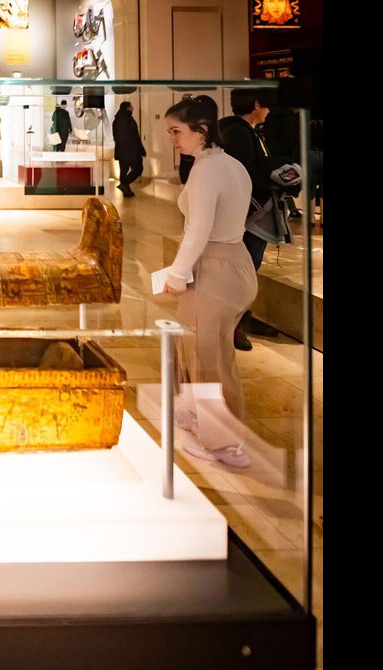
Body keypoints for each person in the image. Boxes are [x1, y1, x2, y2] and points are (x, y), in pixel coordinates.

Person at [163, 95, 256, 469]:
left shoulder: (206, 171)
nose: (172, 139)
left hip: (214, 267)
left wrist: (177, 273)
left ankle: (224, 443)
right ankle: (201, 420)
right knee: (212, 353)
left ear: (201, 131)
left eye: (176, 131)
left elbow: (199, 230)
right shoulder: (231, 165)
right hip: (236, 263)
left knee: (209, 360)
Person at [219, 88, 277, 350]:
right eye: (266, 106)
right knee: (243, 270)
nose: (269, 111)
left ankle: (241, 317)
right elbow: (245, 175)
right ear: (256, 104)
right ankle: (234, 323)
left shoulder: (242, 131)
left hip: (247, 213)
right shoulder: (238, 132)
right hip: (247, 215)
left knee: (246, 270)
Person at [111, 101, 146, 197]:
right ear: (127, 108)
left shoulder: (117, 119)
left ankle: (126, 190)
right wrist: (139, 150)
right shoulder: (127, 120)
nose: (133, 108)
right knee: (138, 169)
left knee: (123, 170)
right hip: (130, 151)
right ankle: (124, 184)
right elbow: (133, 137)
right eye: (131, 106)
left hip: (121, 150)